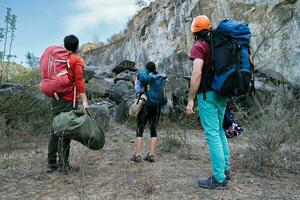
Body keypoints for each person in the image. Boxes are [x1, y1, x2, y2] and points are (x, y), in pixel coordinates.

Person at [186, 15, 230, 189]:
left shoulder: (199, 46)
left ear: (195, 32)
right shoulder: (218, 44)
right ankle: (226, 170)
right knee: (219, 132)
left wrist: (190, 99)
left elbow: (197, 74)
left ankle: (219, 179)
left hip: (207, 96)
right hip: (222, 93)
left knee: (212, 135)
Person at [47, 35, 89, 173]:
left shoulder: (58, 59)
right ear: (77, 46)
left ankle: (51, 163)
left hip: (55, 97)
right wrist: (84, 101)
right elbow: (79, 81)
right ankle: (63, 165)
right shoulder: (76, 59)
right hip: (68, 100)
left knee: (55, 128)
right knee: (65, 130)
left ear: (64, 45)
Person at [131, 62, 162, 163]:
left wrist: (136, 82)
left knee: (140, 129)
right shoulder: (158, 77)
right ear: (155, 68)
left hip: (145, 105)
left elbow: (137, 89)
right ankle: (151, 155)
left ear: (146, 68)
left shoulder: (145, 76)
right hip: (156, 106)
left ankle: (138, 155)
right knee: (153, 130)